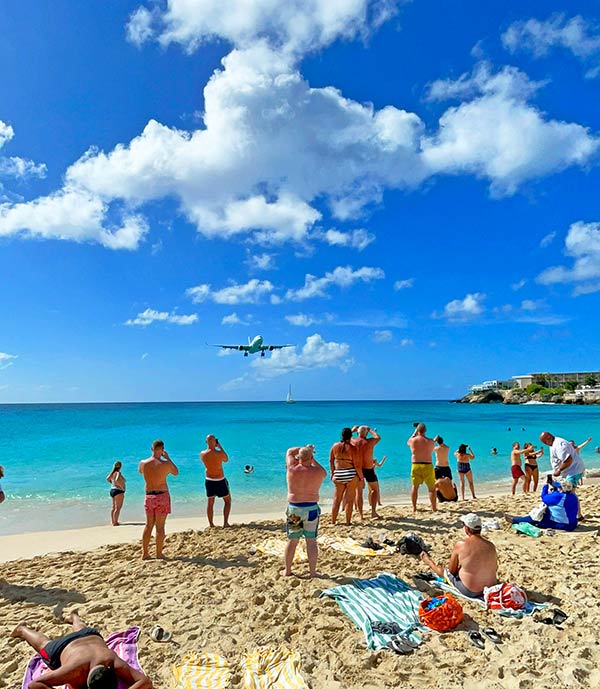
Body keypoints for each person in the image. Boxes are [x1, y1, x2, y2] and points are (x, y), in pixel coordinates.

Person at [11, 610, 152, 688]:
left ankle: (74, 616)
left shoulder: (112, 662)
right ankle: (22, 630)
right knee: (44, 647)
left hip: (90, 635)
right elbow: (34, 684)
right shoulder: (74, 670)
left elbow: (146, 682)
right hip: (63, 647)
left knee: (83, 630)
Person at [419, 513, 498, 599]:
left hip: (471, 591)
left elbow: (451, 571)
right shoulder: (491, 545)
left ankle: (428, 561)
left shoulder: (461, 545)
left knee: (445, 572)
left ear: (467, 528)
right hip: (490, 587)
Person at [282, 445, 327, 578]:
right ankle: (312, 572)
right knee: (311, 540)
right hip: (311, 509)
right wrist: (311, 453)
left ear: (298, 458)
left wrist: (303, 449)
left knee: (293, 540)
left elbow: (289, 451)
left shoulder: (291, 469)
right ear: (312, 457)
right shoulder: (318, 472)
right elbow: (323, 471)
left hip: (295, 509)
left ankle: (288, 570)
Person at [138, 440, 178, 560]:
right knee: (160, 527)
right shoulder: (165, 464)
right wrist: (168, 458)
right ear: (162, 449)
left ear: (152, 449)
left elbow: (141, 472)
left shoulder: (143, 463)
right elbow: (176, 472)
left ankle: (145, 553)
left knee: (148, 525)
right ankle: (159, 553)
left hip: (149, 496)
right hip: (162, 496)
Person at [506, 479, 579, 531]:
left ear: (561, 488)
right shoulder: (573, 496)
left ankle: (515, 520)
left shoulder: (559, 496)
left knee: (538, 517)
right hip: (573, 523)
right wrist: (554, 488)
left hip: (563, 525)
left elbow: (544, 497)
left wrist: (545, 486)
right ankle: (519, 519)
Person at [330, 427, 362, 525]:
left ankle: (333, 521)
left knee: (337, 499)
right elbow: (356, 465)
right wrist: (361, 477)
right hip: (350, 474)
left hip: (338, 473)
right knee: (349, 499)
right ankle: (348, 522)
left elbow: (331, 461)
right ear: (351, 436)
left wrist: (333, 473)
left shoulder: (335, 446)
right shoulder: (353, 448)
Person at [200, 435, 232, 528]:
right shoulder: (219, 453)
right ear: (215, 442)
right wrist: (220, 447)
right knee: (228, 501)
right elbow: (226, 459)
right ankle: (225, 523)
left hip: (209, 480)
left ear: (206, 442)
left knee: (210, 503)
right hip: (220, 479)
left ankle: (211, 524)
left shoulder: (202, 454)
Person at [351, 425, 381, 519]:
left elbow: (346, 437)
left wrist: (353, 430)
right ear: (366, 433)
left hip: (358, 468)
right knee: (374, 490)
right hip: (368, 468)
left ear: (357, 433)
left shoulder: (353, 441)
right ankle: (373, 512)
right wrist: (370, 430)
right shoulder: (370, 442)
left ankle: (361, 515)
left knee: (358, 492)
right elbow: (378, 437)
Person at [407, 423, 436, 512]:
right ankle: (434, 508)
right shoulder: (431, 441)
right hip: (427, 464)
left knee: (415, 487)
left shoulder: (412, 441)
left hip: (416, 464)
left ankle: (414, 508)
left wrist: (415, 431)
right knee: (431, 488)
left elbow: (408, 441)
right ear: (425, 431)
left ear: (417, 430)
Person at [106, 461, 126, 526]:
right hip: (118, 491)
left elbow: (107, 479)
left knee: (114, 507)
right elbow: (117, 480)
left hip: (112, 490)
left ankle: (113, 521)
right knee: (118, 508)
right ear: (120, 466)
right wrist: (121, 487)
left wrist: (113, 484)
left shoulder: (112, 473)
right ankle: (115, 522)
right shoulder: (118, 473)